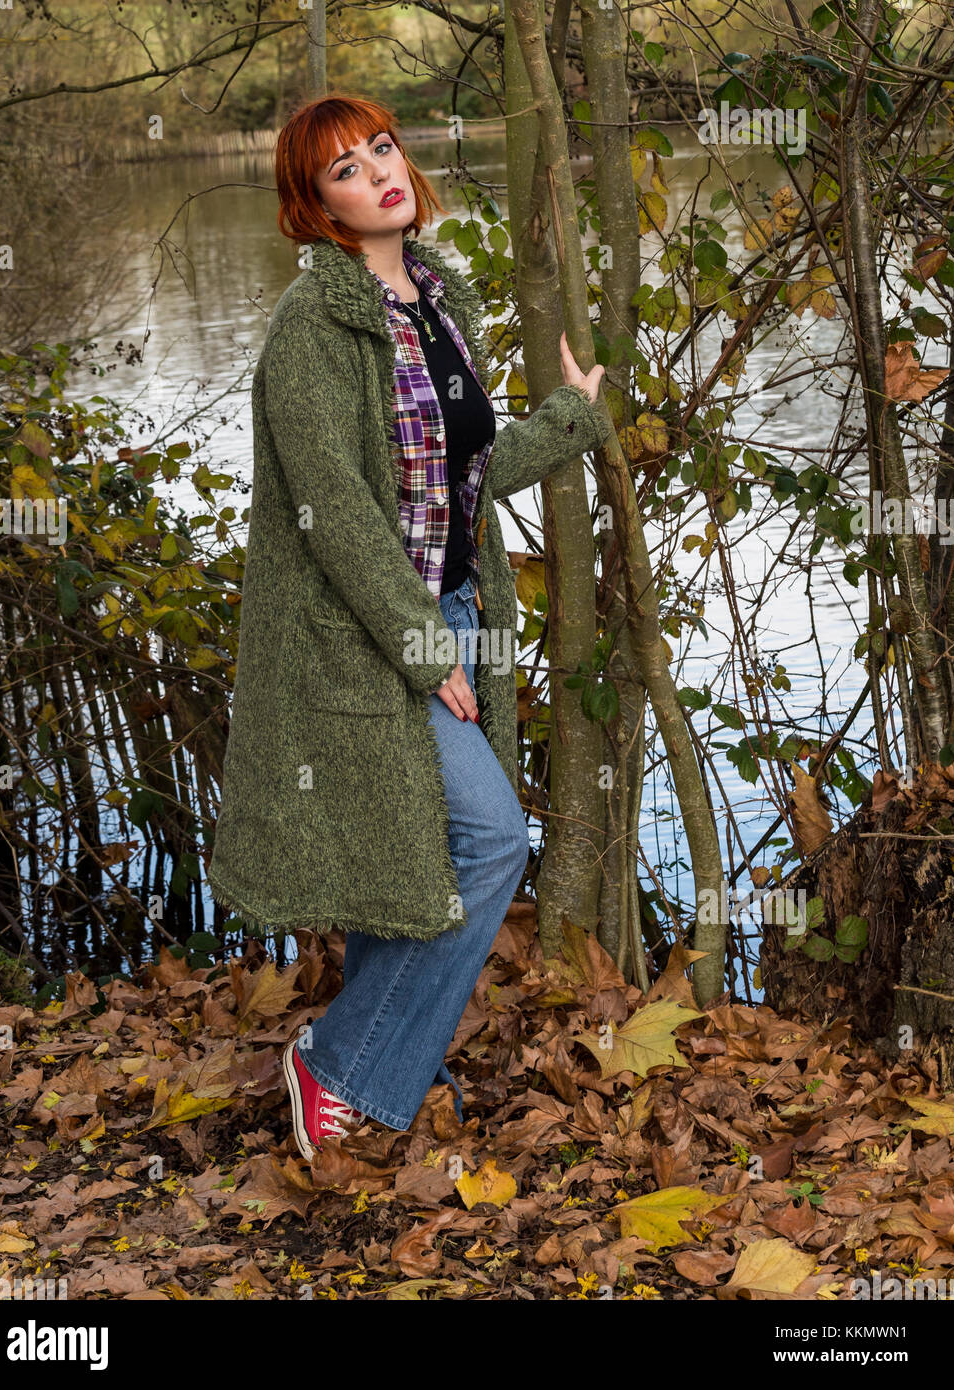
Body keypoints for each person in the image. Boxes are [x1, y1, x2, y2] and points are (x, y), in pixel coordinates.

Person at [205, 92, 611, 1162]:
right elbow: (336, 515)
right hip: (368, 637)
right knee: (487, 840)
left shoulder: (435, 297)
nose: (378, 171)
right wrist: (424, 649)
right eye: (344, 167)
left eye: (381, 147)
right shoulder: (311, 329)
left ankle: (379, 1056)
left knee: (417, 854)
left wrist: (568, 416)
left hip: (457, 612)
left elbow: (461, 480)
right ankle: (341, 1064)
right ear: (315, 205)